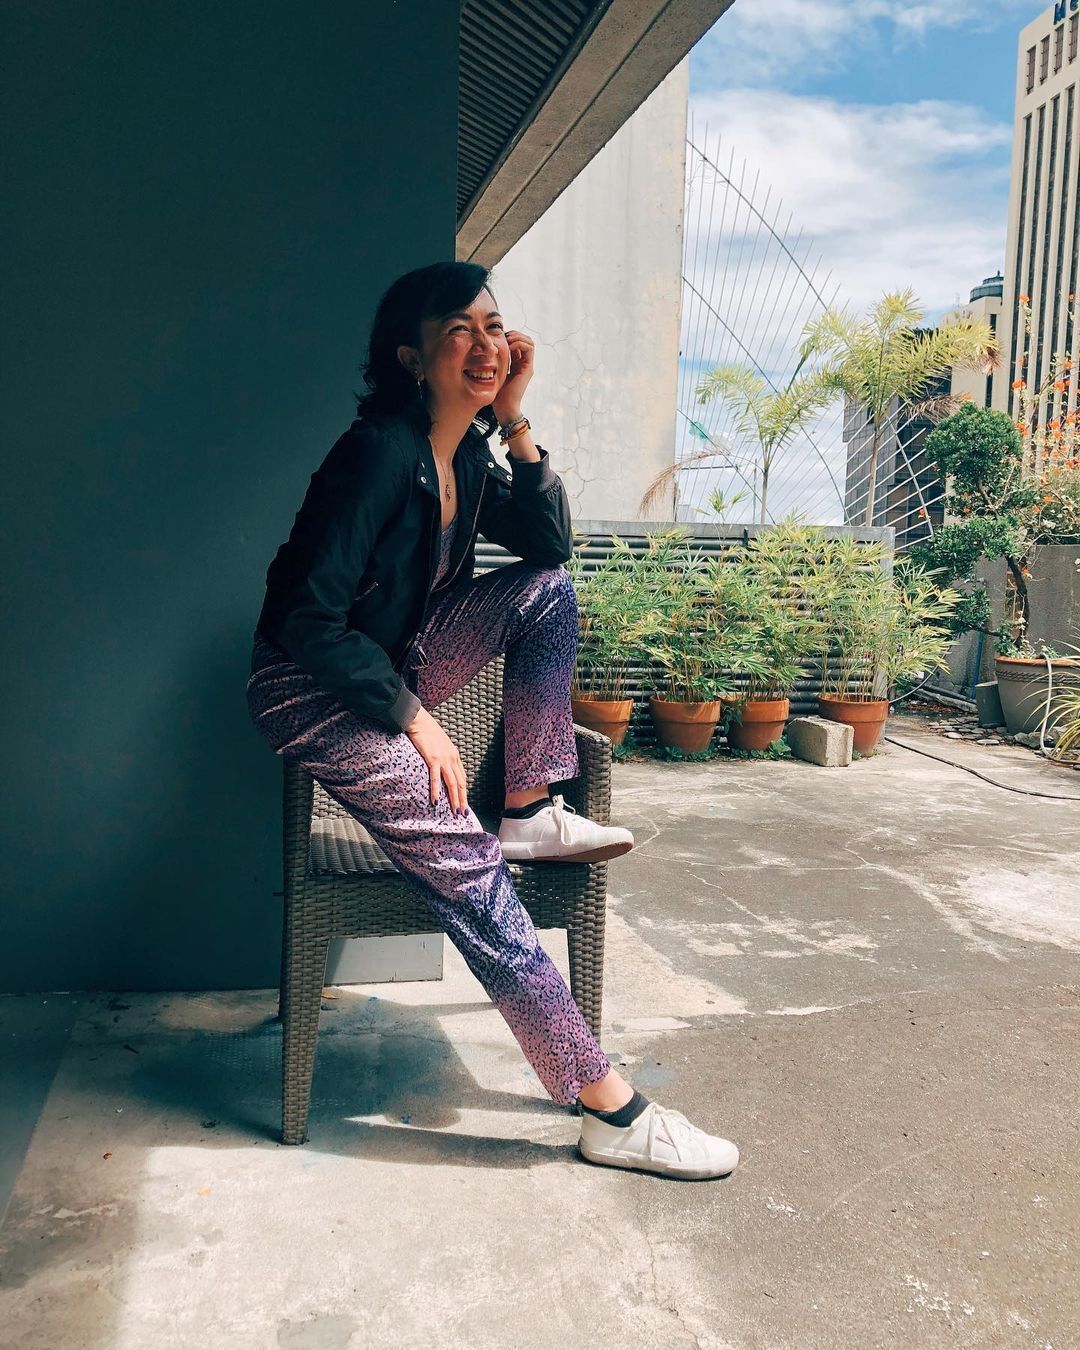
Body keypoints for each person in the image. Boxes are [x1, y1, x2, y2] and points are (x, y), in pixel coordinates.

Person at [246, 261, 739, 1180]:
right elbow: (303, 620)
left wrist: (514, 418)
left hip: (395, 665)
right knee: (468, 869)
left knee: (547, 593)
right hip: (312, 687)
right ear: (412, 356)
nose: (485, 344)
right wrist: (414, 720)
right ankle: (606, 1107)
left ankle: (528, 805)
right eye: (460, 331)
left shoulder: (467, 453)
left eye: (495, 325)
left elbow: (548, 546)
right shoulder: (378, 453)